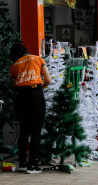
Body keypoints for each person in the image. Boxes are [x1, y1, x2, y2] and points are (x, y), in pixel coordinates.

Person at [10, 43, 51, 174]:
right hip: (35, 96)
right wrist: (39, 89)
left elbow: (15, 85)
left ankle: (22, 163)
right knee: (36, 131)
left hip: (20, 97)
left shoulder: (14, 66)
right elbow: (48, 80)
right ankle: (32, 166)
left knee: (24, 130)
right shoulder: (38, 59)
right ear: (26, 51)